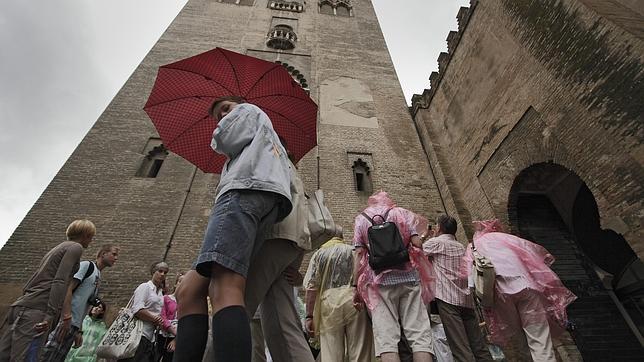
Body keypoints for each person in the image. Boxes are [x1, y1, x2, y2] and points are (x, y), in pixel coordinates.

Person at [173, 96, 292, 362]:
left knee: (225, 286)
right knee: (188, 291)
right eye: (218, 115)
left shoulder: (250, 111)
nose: (223, 117)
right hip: (260, 198)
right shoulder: (264, 142)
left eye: (226, 109)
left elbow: (226, 138)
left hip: (243, 193)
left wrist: (220, 130)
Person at [243, 136, 314, 362]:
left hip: (271, 237)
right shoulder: (292, 168)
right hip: (292, 243)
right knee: (284, 323)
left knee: (234, 306)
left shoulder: (271, 160)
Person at [465, 220, 577, 362]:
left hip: (500, 293)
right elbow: (531, 252)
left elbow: (471, 281)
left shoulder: (472, 247)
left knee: (520, 337)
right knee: (539, 339)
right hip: (526, 287)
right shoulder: (505, 238)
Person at [353, 192, 435, 362]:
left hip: (379, 284)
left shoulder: (361, 219)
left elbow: (359, 256)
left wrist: (356, 287)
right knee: (419, 335)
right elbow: (417, 244)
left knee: (387, 340)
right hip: (409, 278)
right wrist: (423, 238)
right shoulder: (400, 213)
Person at [0, 219, 95, 361]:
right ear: (86, 235)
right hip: (38, 310)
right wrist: (50, 314)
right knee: (24, 357)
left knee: (4, 355)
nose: (91, 240)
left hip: (22, 305)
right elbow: (60, 280)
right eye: (91, 236)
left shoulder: (57, 248)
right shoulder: (76, 247)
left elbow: (33, 280)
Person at [422, 215, 492, 361]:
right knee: (478, 345)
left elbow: (415, 253)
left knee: (459, 346)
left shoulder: (436, 243)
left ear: (439, 228)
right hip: (466, 299)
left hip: (448, 300)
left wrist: (424, 236)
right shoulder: (460, 246)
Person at [303, 229, 374, 362]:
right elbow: (365, 277)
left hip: (328, 302)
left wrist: (309, 316)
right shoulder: (353, 251)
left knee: (331, 350)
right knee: (359, 349)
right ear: (341, 237)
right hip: (354, 299)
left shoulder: (319, 254)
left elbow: (311, 287)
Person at [42, 244, 120, 362]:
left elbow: (84, 305)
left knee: (58, 358)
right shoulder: (86, 266)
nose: (116, 258)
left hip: (74, 326)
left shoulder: (98, 276)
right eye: (113, 254)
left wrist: (79, 330)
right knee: (48, 356)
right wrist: (66, 317)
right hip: (65, 321)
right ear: (103, 254)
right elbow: (68, 289)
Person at [118, 261, 172, 362]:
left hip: (150, 337)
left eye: (165, 272)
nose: (162, 274)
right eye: (160, 271)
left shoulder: (160, 293)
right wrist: (155, 318)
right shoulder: (145, 287)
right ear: (153, 272)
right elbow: (137, 310)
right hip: (137, 334)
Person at [155, 272, 184, 362]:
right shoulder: (166, 298)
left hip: (177, 338)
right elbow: (162, 316)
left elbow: (186, 323)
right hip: (163, 335)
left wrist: (176, 339)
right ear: (176, 284)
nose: (182, 284)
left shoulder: (187, 303)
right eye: (180, 281)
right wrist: (172, 330)